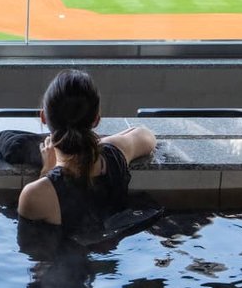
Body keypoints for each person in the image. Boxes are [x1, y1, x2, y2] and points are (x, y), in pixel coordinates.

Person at [16, 70, 157, 230]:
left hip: (68, 253)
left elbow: (35, 251)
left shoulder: (35, 194)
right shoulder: (114, 156)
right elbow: (145, 135)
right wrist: (98, 144)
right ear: (96, 120)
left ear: (43, 117)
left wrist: (47, 171)